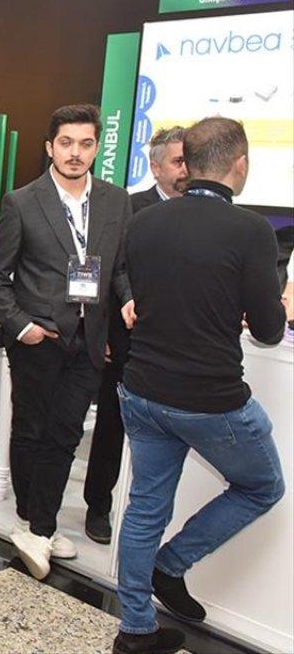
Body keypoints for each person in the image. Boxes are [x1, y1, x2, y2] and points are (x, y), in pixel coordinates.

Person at [113, 118, 286, 654]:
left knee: (145, 507)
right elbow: (269, 330)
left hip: (142, 390)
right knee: (263, 486)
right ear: (240, 164)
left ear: (186, 163)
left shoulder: (146, 222)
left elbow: (163, 297)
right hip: (210, 399)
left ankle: (134, 629)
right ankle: (171, 564)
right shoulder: (252, 230)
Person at [0, 103, 134, 581]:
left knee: (66, 434)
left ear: (97, 148)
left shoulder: (116, 201)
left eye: (86, 144)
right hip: (38, 338)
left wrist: (128, 299)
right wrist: (20, 326)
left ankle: (39, 527)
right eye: (66, 143)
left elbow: (119, 269)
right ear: (50, 147)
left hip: (90, 341)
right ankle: (35, 522)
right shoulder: (22, 202)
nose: (75, 153)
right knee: (31, 430)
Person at [84, 126, 185, 546]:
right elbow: (110, 270)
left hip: (177, 343)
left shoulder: (201, 212)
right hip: (126, 338)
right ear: (155, 167)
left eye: (189, 161)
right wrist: (105, 331)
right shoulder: (129, 207)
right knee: (112, 424)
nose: (186, 170)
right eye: (178, 161)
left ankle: (151, 517)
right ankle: (98, 505)